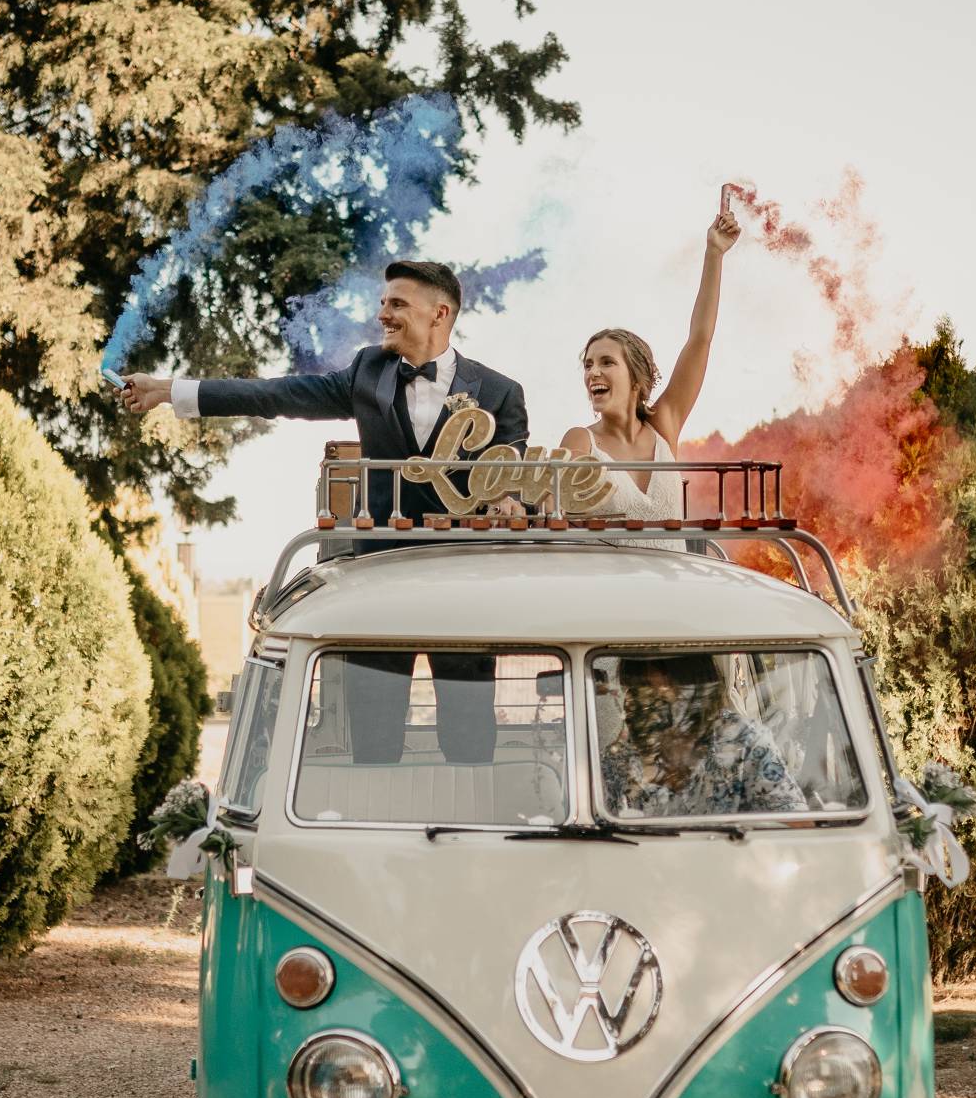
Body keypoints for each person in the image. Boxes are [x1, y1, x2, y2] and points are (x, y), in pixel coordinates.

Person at [120, 261, 523, 765]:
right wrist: (168, 390)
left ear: (439, 313)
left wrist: (510, 501)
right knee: (373, 739)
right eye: (383, 303)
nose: (383, 314)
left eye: (397, 304)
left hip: (461, 582)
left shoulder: (500, 391)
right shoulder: (367, 371)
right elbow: (276, 394)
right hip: (379, 576)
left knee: (470, 741)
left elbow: (514, 478)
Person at [559, 199, 740, 534]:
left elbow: (699, 339)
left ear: (636, 379)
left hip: (671, 584)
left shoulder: (663, 427)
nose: (592, 373)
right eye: (587, 365)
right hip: (605, 583)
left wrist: (714, 253)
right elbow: (555, 515)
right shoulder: (581, 441)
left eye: (606, 362)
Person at [599, 656, 809, 819]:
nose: (643, 703)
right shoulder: (621, 756)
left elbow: (792, 820)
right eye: (635, 690)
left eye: (658, 691)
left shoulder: (745, 740)